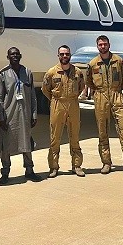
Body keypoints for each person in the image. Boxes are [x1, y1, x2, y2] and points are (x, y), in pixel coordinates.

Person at [84, 35, 123, 177]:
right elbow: (88, 81)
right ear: (97, 46)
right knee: (103, 132)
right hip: (101, 97)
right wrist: (98, 91)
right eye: (100, 44)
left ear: (109, 45)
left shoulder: (118, 61)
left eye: (105, 44)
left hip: (116, 96)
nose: (103, 46)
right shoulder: (93, 64)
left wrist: (117, 89)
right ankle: (106, 163)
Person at [0, 47, 41, 183]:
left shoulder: (27, 72)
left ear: (20, 56)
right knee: (6, 145)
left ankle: (29, 170)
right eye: (12, 54)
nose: (15, 56)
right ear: (8, 57)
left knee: (26, 142)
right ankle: (5, 172)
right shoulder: (2, 74)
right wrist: (1, 118)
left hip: (25, 114)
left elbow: (32, 95)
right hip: (9, 114)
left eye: (17, 54)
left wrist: (34, 114)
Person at [41, 45, 85, 177]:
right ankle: (53, 167)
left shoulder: (77, 72)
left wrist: (72, 97)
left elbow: (81, 86)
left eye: (67, 54)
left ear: (70, 55)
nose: (64, 56)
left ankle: (76, 165)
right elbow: (45, 89)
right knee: (55, 137)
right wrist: (55, 100)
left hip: (73, 104)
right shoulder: (51, 72)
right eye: (62, 54)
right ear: (58, 56)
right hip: (57, 104)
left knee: (75, 136)